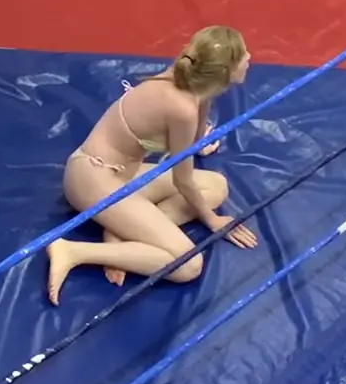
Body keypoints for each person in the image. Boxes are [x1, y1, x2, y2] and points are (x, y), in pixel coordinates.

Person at [45, 26, 257, 304]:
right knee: (188, 266)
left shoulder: (191, 80)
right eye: (243, 54)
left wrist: (197, 143)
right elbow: (183, 180)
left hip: (121, 175)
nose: (249, 57)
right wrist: (212, 219)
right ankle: (73, 251)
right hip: (91, 180)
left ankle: (123, 229)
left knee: (217, 186)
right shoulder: (181, 107)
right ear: (224, 72)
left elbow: (198, 112)